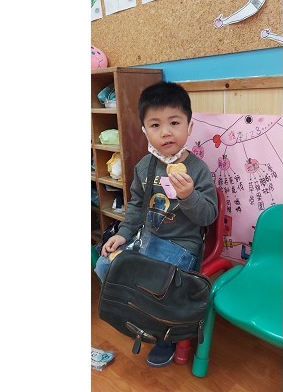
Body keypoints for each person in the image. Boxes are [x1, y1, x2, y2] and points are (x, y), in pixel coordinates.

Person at [94, 81, 218, 367]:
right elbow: (136, 208)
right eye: (155, 125)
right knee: (104, 264)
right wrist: (124, 234)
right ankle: (139, 314)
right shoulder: (143, 167)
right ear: (145, 131)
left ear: (189, 126)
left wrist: (188, 196)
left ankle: (164, 334)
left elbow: (208, 216)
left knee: (154, 281)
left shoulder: (198, 170)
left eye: (174, 122)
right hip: (146, 239)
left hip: (181, 246)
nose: (166, 132)